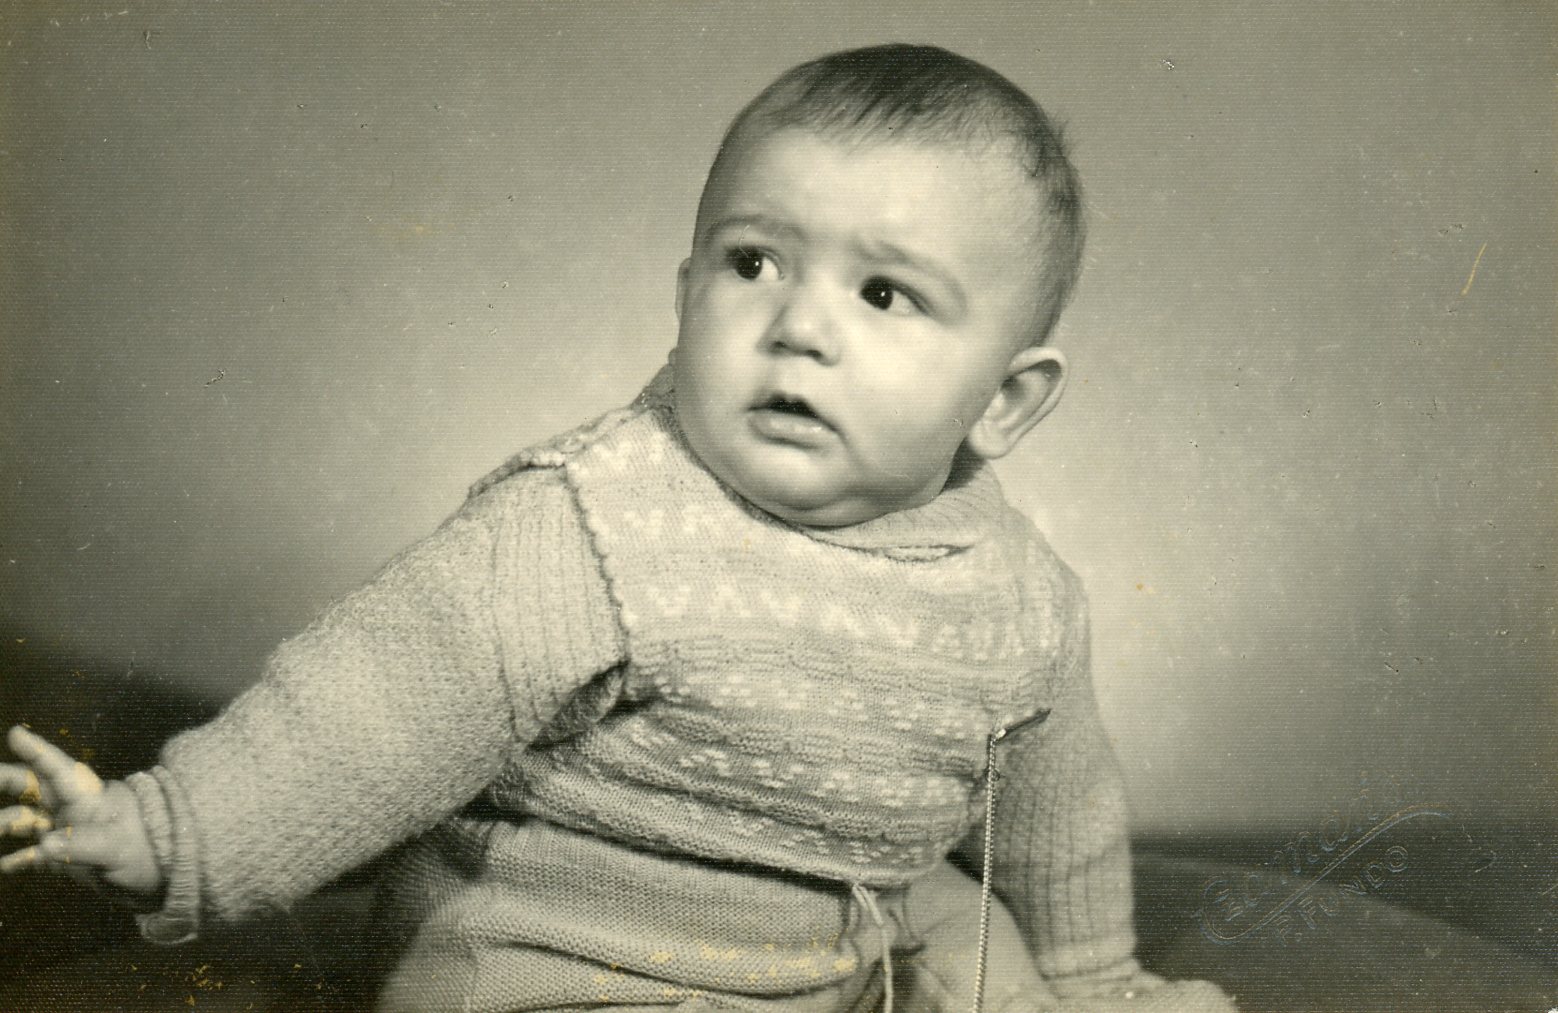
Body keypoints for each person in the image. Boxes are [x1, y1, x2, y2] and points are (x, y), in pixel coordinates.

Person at [1, 44, 1236, 1013]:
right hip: (564, 956)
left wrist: (1091, 976)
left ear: (1006, 400)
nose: (800, 325)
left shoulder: (1018, 598)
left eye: (882, 291)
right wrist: (171, 830)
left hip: (833, 931)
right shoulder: (594, 523)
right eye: (754, 262)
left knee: (973, 922)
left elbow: (1058, 818)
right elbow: (369, 705)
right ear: (685, 292)